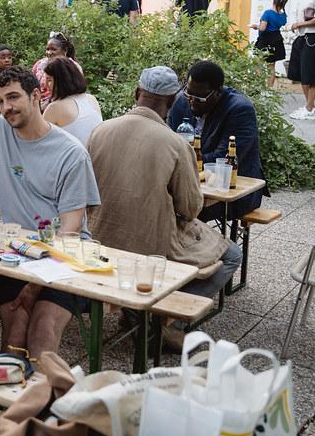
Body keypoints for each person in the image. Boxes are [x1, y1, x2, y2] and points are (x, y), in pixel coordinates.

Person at [0, 66, 101, 358]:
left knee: (41, 335)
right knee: (14, 337)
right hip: (13, 252)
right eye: (0, 100)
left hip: (62, 258)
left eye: (13, 97)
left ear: (36, 96)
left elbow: (70, 230)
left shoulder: (71, 153)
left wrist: (33, 287)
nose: (6, 107)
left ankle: (51, 387)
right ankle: (10, 385)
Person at [88, 66, 242, 302]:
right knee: (232, 255)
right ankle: (168, 313)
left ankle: (147, 310)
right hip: (153, 246)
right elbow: (190, 209)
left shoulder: (99, 131)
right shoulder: (176, 144)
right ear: (172, 101)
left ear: (136, 92)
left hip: (98, 236)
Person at [167, 60, 266, 220]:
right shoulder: (181, 101)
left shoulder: (240, 110)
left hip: (232, 190)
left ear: (218, 92)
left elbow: (222, 160)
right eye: (189, 94)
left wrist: (179, 164)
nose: (192, 102)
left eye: (199, 98)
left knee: (180, 210)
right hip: (189, 183)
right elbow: (169, 144)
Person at [42, 57, 103, 147]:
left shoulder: (55, 107)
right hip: (98, 153)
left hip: (74, 156)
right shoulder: (91, 99)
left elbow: (39, 142)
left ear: (62, 80)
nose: (45, 85)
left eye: (49, 80)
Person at [31, 32, 77, 106]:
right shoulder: (39, 65)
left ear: (65, 50)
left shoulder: (72, 67)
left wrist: (49, 104)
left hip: (62, 104)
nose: (49, 52)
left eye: (53, 49)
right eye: (47, 49)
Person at [252, 0, 288, 87]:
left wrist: (256, 26)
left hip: (265, 40)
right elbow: (282, 24)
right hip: (276, 39)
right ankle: (269, 88)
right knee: (271, 66)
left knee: (257, 63)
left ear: (274, 1)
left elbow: (262, 28)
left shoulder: (267, 13)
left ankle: (260, 86)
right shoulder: (283, 15)